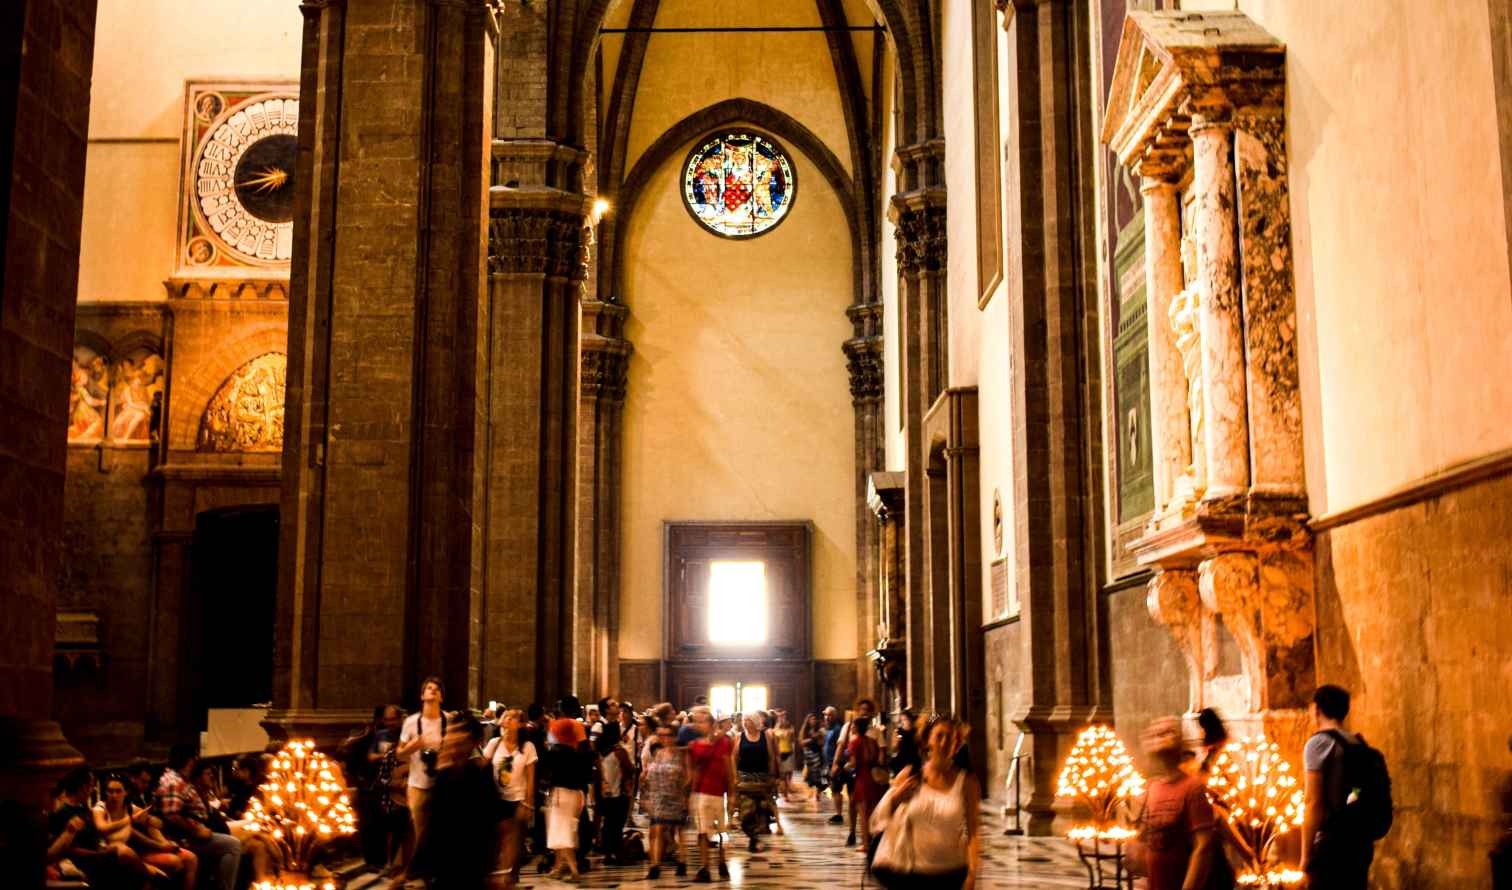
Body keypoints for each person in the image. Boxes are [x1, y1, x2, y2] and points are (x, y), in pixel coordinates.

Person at [868, 713, 982, 890]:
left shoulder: (967, 782)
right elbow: (877, 821)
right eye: (939, 736)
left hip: (951, 874)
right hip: (910, 875)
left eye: (950, 737)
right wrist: (897, 796)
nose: (944, 742)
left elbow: (973, 831)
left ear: (957, 744)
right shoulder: (910, 775)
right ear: (927, 740)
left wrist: (972, 873)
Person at [1301, 684, 1386, 889]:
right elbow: (1356, 790)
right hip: (1360, 841)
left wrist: (1305, 856)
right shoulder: (1357, 743)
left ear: (1317, 709)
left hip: (1332, 844)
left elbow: (1313, 802)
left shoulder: (1318, 743)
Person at [412, 715, 501, 889]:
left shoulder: (480, 774)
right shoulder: (444, 774)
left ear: (472, 741)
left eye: (457, 734)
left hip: (469, 866)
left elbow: (488, 825)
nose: (450, 738)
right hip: (442, 866)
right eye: (449, 733)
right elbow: (432, 824)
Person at [1139, 717, 1221, 890]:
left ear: (1179, 744)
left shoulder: (1192, 787)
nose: (1160, 737)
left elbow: (1203, 847)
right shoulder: (1151, 787)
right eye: (1155, 734)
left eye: (1167, 732)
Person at [51, 766, 158, 888]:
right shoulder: (63, 812)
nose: (93, 789)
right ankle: (148, 876)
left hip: (100, 853)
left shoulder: (82, 807)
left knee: (135, 864)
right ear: (82, 787)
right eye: (91, 786)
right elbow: (67, 849)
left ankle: (148, 876)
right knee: (122, 851)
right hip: (86, 860)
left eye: (118, 791)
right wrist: (99, 853)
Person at [155, 744, 242, 890]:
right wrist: (195, 830)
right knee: (233, 845)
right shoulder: (173, 781)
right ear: (189, 760)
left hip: (199, 830)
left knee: (235, 840)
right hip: (186, 838)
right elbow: (171, 815)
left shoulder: (181, 779)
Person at [95, 773, 197, 890]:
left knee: (190, 858)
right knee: (171, 864)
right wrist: (160, 846)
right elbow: (102, 828)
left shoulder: (130, 806)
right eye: (110, 791)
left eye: (118, 791)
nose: (114, 795)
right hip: (117, 852)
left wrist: (152, 822)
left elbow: (155, 823)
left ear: (125, 792)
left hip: (138, 849)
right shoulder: (100, 807)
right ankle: (150, 874)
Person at [395, 675, 447, 879]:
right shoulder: (410, 722)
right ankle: (417, 872)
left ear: (441, 697)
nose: (432, 691)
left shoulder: (448, 720)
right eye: (429, 688)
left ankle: (431, 871)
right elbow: (399, 754)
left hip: (441, 784)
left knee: (438, 829)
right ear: (422, 695)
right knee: (419, 830)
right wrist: (414, 746)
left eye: (437, 689)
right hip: (417, 784)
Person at [482, 708, 537, 888]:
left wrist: (528, 803)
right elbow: (483, 769)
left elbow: (530, 778)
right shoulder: (493, 744)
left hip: (518, 799)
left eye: (514, 717)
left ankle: (511, 878)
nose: (509, 719)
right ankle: (499, 876)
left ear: (521, 724)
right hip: (497, 799)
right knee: (498, 839)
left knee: (515, 841)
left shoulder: (527, 747)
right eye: (506, 716)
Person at [545, 695, 591, 881]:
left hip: (562, 792)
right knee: (564, 830)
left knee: (562, 831)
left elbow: (548, 770)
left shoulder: (556, 751)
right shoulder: (577, 752)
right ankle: (558, 867)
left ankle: (573, 870)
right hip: (577, 790)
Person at [687, 707, 733, 882]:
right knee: (703, 832)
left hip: (718, 792)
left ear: (712, 723)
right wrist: (691, 794)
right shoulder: (695, 745)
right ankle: (704, 867)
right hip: (701, 793)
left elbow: (728, 768)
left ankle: (722, 862)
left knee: (721, 831)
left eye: (702, 721)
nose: (698, 725)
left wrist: (732, 792)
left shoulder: (724, 743)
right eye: (696, 722)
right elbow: (693, 772)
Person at [641, 720, 690, 879]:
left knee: (678, 830)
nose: (664, 739)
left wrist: (683, 792)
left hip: (676, 796)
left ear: (674, 736)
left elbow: (689, 775)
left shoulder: (682, 754)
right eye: (660, 735)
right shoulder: (657, 753)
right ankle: (655, 866)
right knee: (657, 830)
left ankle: (682, 862)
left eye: (667, 735)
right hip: (658, 797)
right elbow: (649, 775)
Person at [734, 711, 782, 851]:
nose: (745, 722)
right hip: (745, 778)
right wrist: (734, 777)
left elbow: (771, 757)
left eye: (748, 720)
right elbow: (734, 758)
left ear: (754, 721)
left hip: (762, 778)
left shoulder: (765, 736)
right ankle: (752, 836)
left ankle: (755, 838)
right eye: (744, 720)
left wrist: (773, 775)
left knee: (762, 809)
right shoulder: (739, 737)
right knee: (745, 813)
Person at [847, 715, 886, 851]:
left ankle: (865, 844)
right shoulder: (871, 741)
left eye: (853, 725)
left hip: (861, 780)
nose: (851, 727)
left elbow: (853, 763)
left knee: (863, 815)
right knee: (871, 813)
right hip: (872, 779)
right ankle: (873, 842)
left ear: (857, 728)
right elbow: (878, 758)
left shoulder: (854, 742)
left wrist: (845, 766)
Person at [597, 726, 633, 864]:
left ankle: (607, 854)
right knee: (617, 825)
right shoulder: (619, 752)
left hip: (605, 792)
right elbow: (629, 768)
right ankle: (618, 854)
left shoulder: (602, 752)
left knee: (608, 824)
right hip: (619, 792)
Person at [771, 711, 797, 800]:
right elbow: (774, 738)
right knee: (782, 776)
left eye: (784, 716)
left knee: (788, 774)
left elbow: (793, 740)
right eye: (781, 717)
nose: (783, 718)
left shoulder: (790, 729)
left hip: (788, 752)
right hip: (780, 753)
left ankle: (787, 791)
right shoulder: (775, 730)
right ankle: (785, 794)